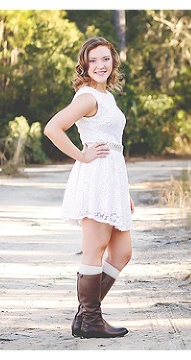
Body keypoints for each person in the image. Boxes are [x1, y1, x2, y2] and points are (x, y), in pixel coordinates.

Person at [44, 37, 134, 339]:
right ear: (85, 64)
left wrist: (125, 193)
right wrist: (82, 155)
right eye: (93, 60)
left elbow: (115, 145)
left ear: (113, 63)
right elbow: (52, 128)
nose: (100, 65)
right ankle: (91, 320)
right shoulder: (86, 97)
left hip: (113, 178)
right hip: (96, 177)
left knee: (122, 253)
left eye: (105, 59)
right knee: (95, 249)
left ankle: (86, 317)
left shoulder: (105, 96)